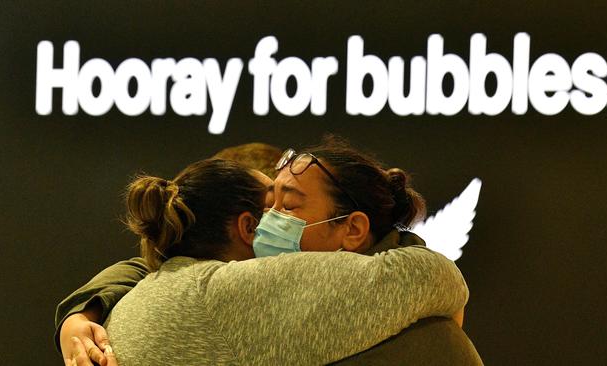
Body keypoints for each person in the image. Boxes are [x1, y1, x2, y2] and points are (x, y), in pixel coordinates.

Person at [55, 138, 481, 365]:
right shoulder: (232, 293)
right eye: (268, 206)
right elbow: (429, 274)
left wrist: (79, 313)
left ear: (352, 229)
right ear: (244, 227)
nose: (273, 222)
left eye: (289, 204)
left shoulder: (147, 294)